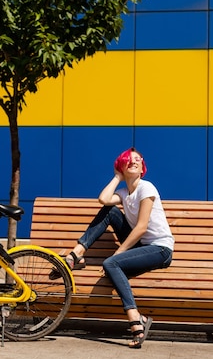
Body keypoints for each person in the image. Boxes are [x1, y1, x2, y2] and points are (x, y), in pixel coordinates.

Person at [52, 147, 174, 348]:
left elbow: (142, 227)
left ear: (142, 166)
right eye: (129, 160)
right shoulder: (125, 192)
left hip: (160, 249)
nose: (134, 162)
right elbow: (104, 199)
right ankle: (77, 254)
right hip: (141, 245)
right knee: (109, 210)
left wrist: (119, 252)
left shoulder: (147, 188)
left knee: (111, 263)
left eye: (138, 160)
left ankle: (136, 318)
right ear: (122, 166)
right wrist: (117, 176)